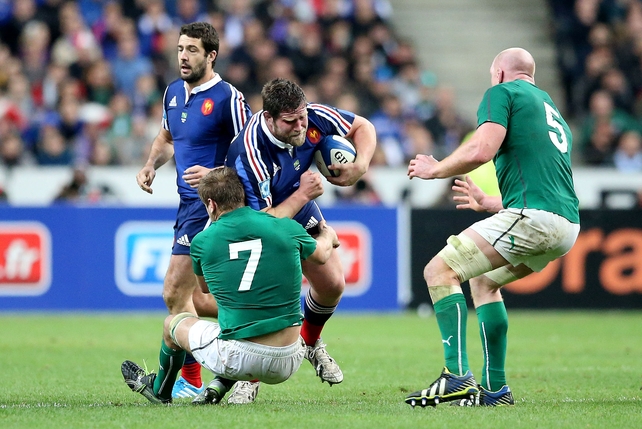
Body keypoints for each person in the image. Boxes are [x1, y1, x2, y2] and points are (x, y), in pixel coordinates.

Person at [405, 48, 580, 407]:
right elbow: (545, 182)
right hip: (566, 226)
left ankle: (455, 376)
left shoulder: (502, 93)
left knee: (439, 271)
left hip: (533, 218)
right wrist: (490, 204)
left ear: (500, 72)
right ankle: (496, 390)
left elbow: (482, 150)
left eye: (491, 75)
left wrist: (435, 169)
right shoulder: (550, 110)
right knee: (484, 283)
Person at [121, 167, 340, 405]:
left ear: (211, 205)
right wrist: (327, 236)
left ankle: (160, 391)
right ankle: (217, 386)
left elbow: (204, 289)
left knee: (173, 324)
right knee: (246, 329)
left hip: (239, 357)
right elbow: (320, 254)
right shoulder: (285, 225)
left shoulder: (202, 241)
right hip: (289, 359)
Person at [224, 78, 377, 402]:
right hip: (254, 221)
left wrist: (360, 165)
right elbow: (264, 223)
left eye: (302, 118)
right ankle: (249, 378)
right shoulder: (250, 151)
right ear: (269, 118)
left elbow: (362, 127)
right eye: (290, 121)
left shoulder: (313, 117)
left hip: (297, 204)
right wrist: (304, 192)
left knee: (333, 283)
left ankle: (309, 343)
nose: (300, 126)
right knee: (268, 298)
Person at [134, 22, 251, 399]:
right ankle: (250, 331)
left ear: (211, 55)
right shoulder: (172, 94)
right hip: (188, 206)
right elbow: (168, 137)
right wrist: (152, 162)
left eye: (192, 50)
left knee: (176, 292)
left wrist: (217, 173)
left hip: (215, 208)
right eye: (180, 48)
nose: (183, 56)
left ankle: (194, 380)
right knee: (191, 299)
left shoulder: (228, 98)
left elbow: (249, 153)